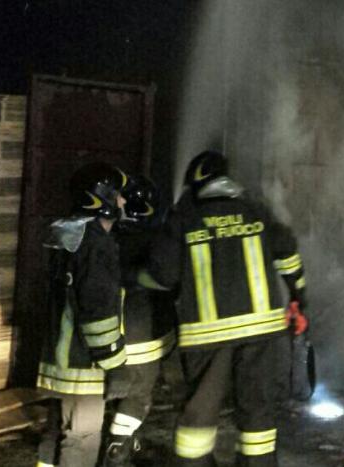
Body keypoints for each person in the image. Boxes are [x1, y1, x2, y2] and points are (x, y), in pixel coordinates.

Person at [145, 150, 308, 467]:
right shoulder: (256, 210)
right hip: (263, 333)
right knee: (258, 414)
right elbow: (288, 255)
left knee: (200, 414)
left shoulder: (184, 219)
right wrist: (298, 298)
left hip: (207, 336)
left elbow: (164, 275)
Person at [36, 163, 131, 467]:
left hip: (59, 359)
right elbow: (98, 311)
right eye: (118, 195)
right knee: (82, 438)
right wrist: (115, 364)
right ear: (103, 199)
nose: (123, 201)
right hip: (84, 362)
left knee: (56, 432)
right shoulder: (96, 245)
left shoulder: (67, 236)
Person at [103, 174, 177, 467]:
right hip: (145, 336)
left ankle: (116, 442)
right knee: (138, 396)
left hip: (107, 335)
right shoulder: (159, 242)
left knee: (111, 392)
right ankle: (117, 449)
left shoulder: (106, 236)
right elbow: (170, 281)